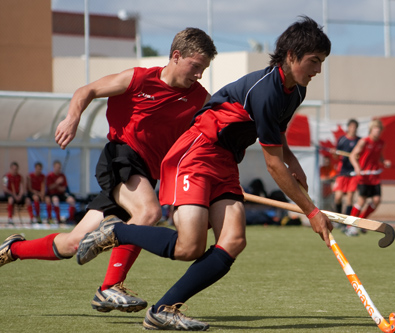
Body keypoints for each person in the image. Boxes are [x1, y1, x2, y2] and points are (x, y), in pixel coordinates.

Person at [76, 16, 333, 331]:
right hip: (197, 153)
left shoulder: (295, 90)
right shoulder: (266, 90)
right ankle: (118, 232)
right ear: (292, 56)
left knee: (234, 240)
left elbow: (276, 132)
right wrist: (311, 211)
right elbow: (271, 165)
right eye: (314, 61)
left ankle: (163, 310)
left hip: (226, 161)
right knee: (189, 247)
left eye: (321, 62)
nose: (318, 69)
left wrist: (292, 159)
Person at [0, 27, 217, 314]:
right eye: (196, 66)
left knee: (72, 244)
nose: (199, 74)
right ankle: (109, 288)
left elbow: (217, 132)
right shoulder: (139, 78)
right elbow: (86, 90)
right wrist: (72, 119)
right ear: (176, 56)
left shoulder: (200, 98)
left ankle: (12, 249)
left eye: (204, 69)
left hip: (146, 175)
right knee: (148, 213)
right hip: (122, 157)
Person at [348, 119, 391, 235]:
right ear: (371, 130)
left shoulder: (381, 143)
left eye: (379, 129)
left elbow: (379, 156)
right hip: (364, 176)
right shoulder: (364, 141)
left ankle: (362, 222)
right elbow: (352, 156)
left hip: (374, 176)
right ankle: (350, 225)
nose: (377, 131)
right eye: (375, 129)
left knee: (377, 200)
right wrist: (357, 167)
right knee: (361, 201)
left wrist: (384, 161)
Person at [332, 119, 360, 216]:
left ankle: (347, 221)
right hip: (342, 171)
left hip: (353, 172)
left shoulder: (359, 141)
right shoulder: (342, 139)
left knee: (350, 198)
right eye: (351, 127)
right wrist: (334, 153)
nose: (353, 129)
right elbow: (336, 155)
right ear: (348, 128)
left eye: (355, 127)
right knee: (338, 197)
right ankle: (339, 218)